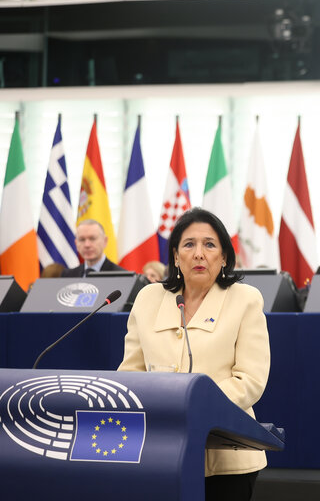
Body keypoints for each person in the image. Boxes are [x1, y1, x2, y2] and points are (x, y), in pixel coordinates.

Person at [118, 208, 270, 501]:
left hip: (227, 460)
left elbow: (250, 381)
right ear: (175, 256)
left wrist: (193, 405)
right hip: (159, 451)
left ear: (224, 256)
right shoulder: (148, 298)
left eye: (210, 245)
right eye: (189, 244)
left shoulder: (245, 300)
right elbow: (130, 374)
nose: (199, 253)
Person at [61, 219, 127, 277]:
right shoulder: (68, 276)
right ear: (76, 243)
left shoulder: (122, 276)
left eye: (92, 238)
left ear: (105, 241)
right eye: (82, 239)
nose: (87, 245)